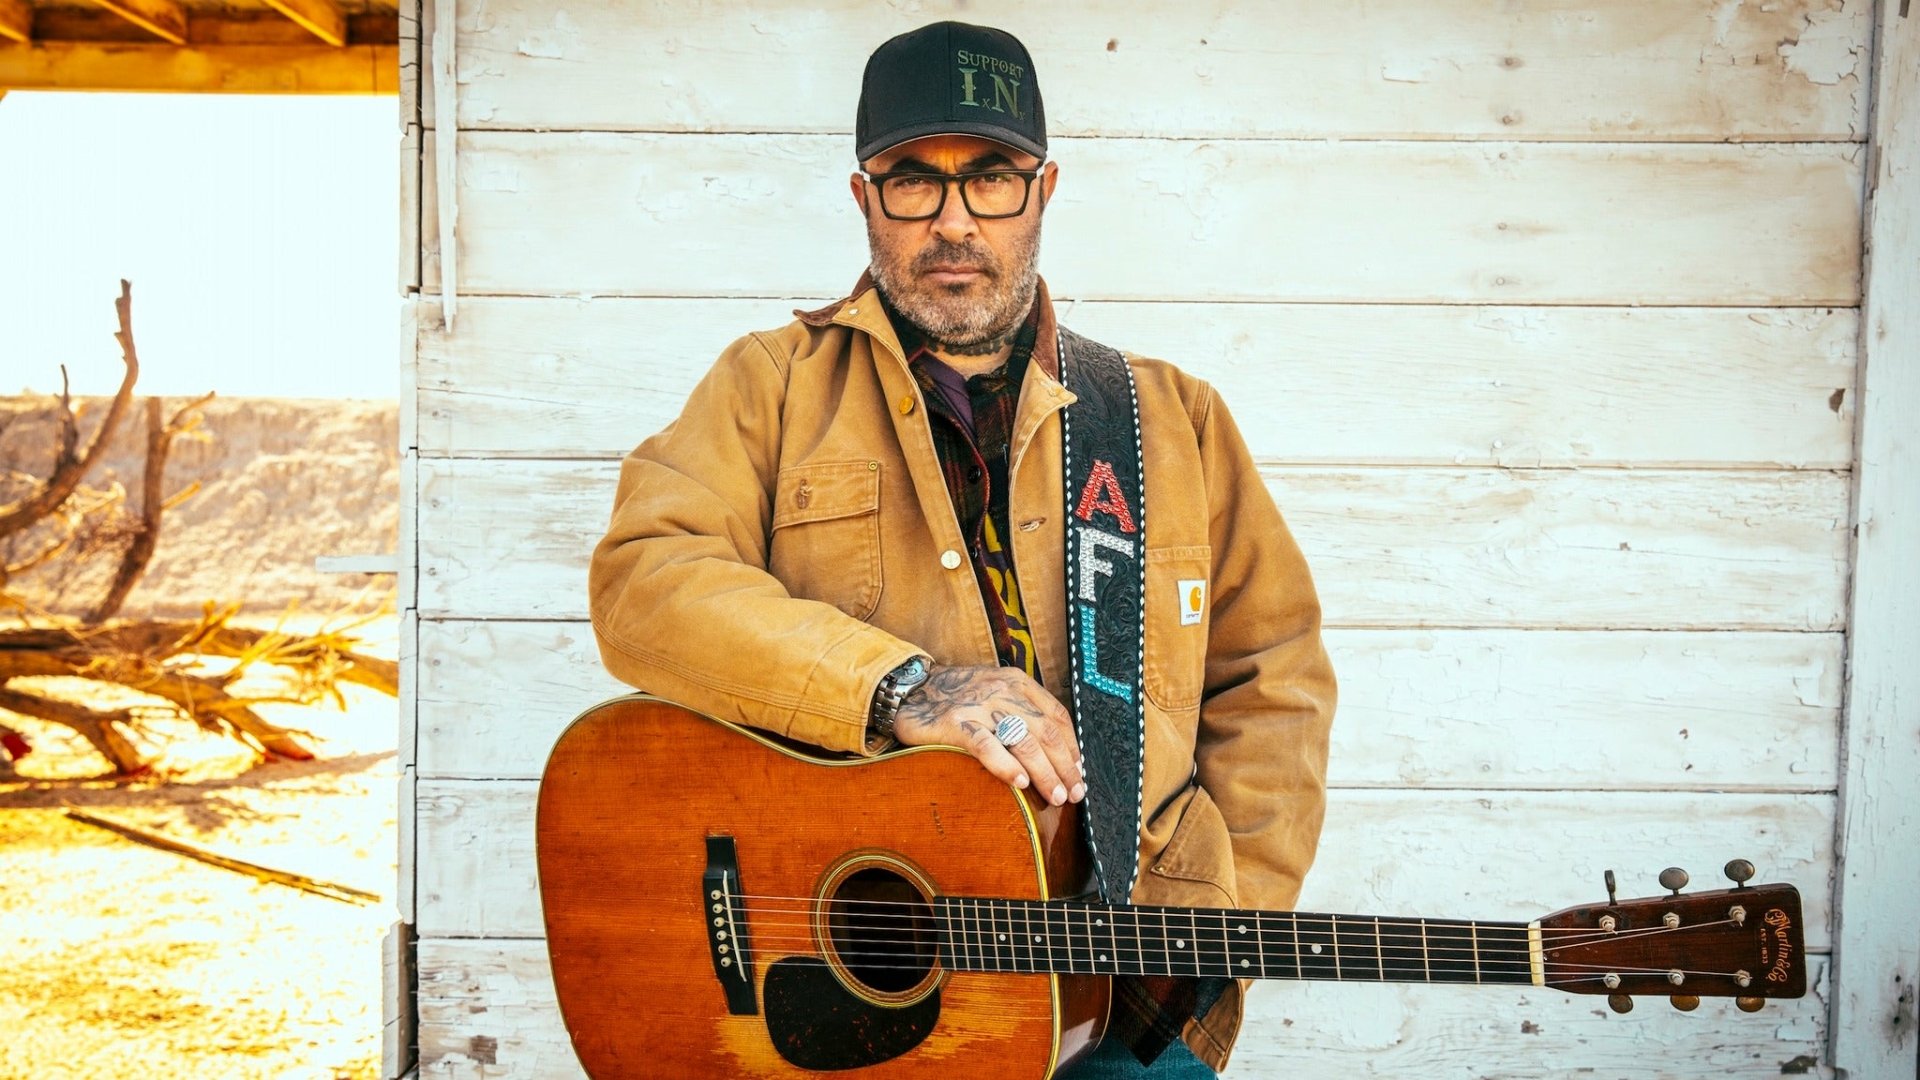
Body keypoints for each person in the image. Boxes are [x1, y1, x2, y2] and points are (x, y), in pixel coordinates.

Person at [588, 20, 1336, 1079]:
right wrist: (905, 686)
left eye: (990, 179)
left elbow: (1276, 685)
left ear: (1043, 190)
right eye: (910, 181)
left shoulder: (1174, 419)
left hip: (1123, 1008)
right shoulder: (768, 387)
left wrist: (1214, 944)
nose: (951, 222)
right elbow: (645, 583)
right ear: (863, 199)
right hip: (849, 1019)